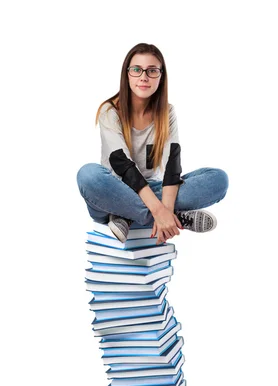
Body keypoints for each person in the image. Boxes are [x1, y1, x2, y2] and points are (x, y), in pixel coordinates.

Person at [76, 42, 229, 244]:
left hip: (154, 189)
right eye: (137, 70)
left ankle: (127, 217)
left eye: (152, 71)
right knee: (88, 175)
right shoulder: (109, 111)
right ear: (127, 74)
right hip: (113, 193)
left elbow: (172, 166)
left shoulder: (167, 113)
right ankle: (177, 218)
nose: (144, 77)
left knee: (218, 179)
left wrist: (164, 206)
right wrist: (160, 211)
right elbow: (122, 164)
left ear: (161, 76)